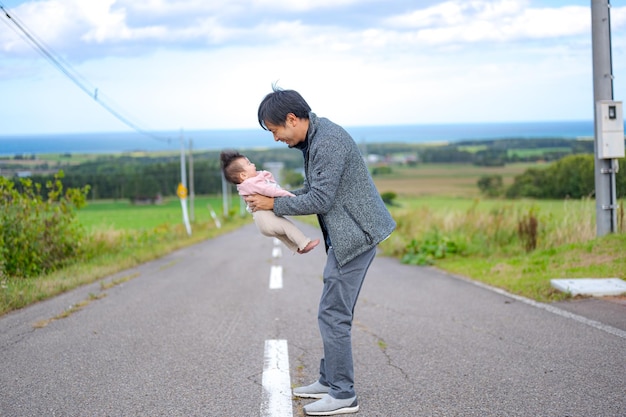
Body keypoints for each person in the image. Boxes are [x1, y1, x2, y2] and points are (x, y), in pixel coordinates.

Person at [246, 87, 396, 416]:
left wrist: (273, 203)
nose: (275, 139)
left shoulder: (327, 141)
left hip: (356, 235)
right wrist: (277, 202)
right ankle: (329, 382)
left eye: (275, 131)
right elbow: (314, 191)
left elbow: (320, 201)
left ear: (291, 119)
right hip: (348, 235)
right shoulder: (314, 137)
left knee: (332, 314)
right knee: (334, 310)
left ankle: (343, 394)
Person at [220, 150, 320, 254]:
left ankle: (296, 247)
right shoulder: (252, 183)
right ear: (243, 175)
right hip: (266, 218)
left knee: (282, 234)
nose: (253, 164)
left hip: (262, 222)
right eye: (249, 164)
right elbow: (270, 190)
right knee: (287, 227)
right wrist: (288, 196)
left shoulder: (244, 186)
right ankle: (304, 243)